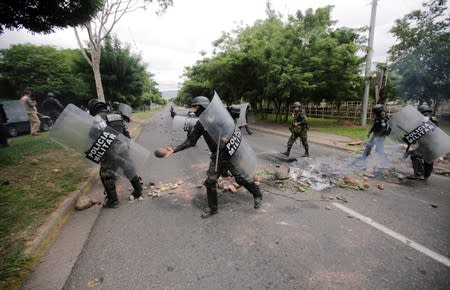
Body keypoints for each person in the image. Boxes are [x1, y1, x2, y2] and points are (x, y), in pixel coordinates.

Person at [162, 96, 263, 218]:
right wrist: (174, 150)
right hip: (217, 156)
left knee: (240, 178)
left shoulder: (219, 117)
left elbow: (231, 128)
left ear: (202, 107)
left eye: (195, 107)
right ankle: (213, 209)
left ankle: (257, 194)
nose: (193, 109)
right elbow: (191, 141)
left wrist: (226, 137)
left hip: (228, 152)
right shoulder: (200, 124)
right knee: (210, 182)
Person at [87, 99, 144, 208]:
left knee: (106, 174)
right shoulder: (116, 115)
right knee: (128, 168)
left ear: (93, 109)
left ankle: (113, 201)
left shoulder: (98, 118)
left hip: (109, 150)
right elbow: (126, 132)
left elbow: (92, 135)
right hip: (122, 147)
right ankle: (138, 190)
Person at [406, 104, 439, 180]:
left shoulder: (424, 120)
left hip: (428, 143)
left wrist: (412, 137)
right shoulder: (434, 119)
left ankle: (418, 173)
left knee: (415, 156)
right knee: (428, 160)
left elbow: (422, 132)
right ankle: (426, 175)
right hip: (433, 143)